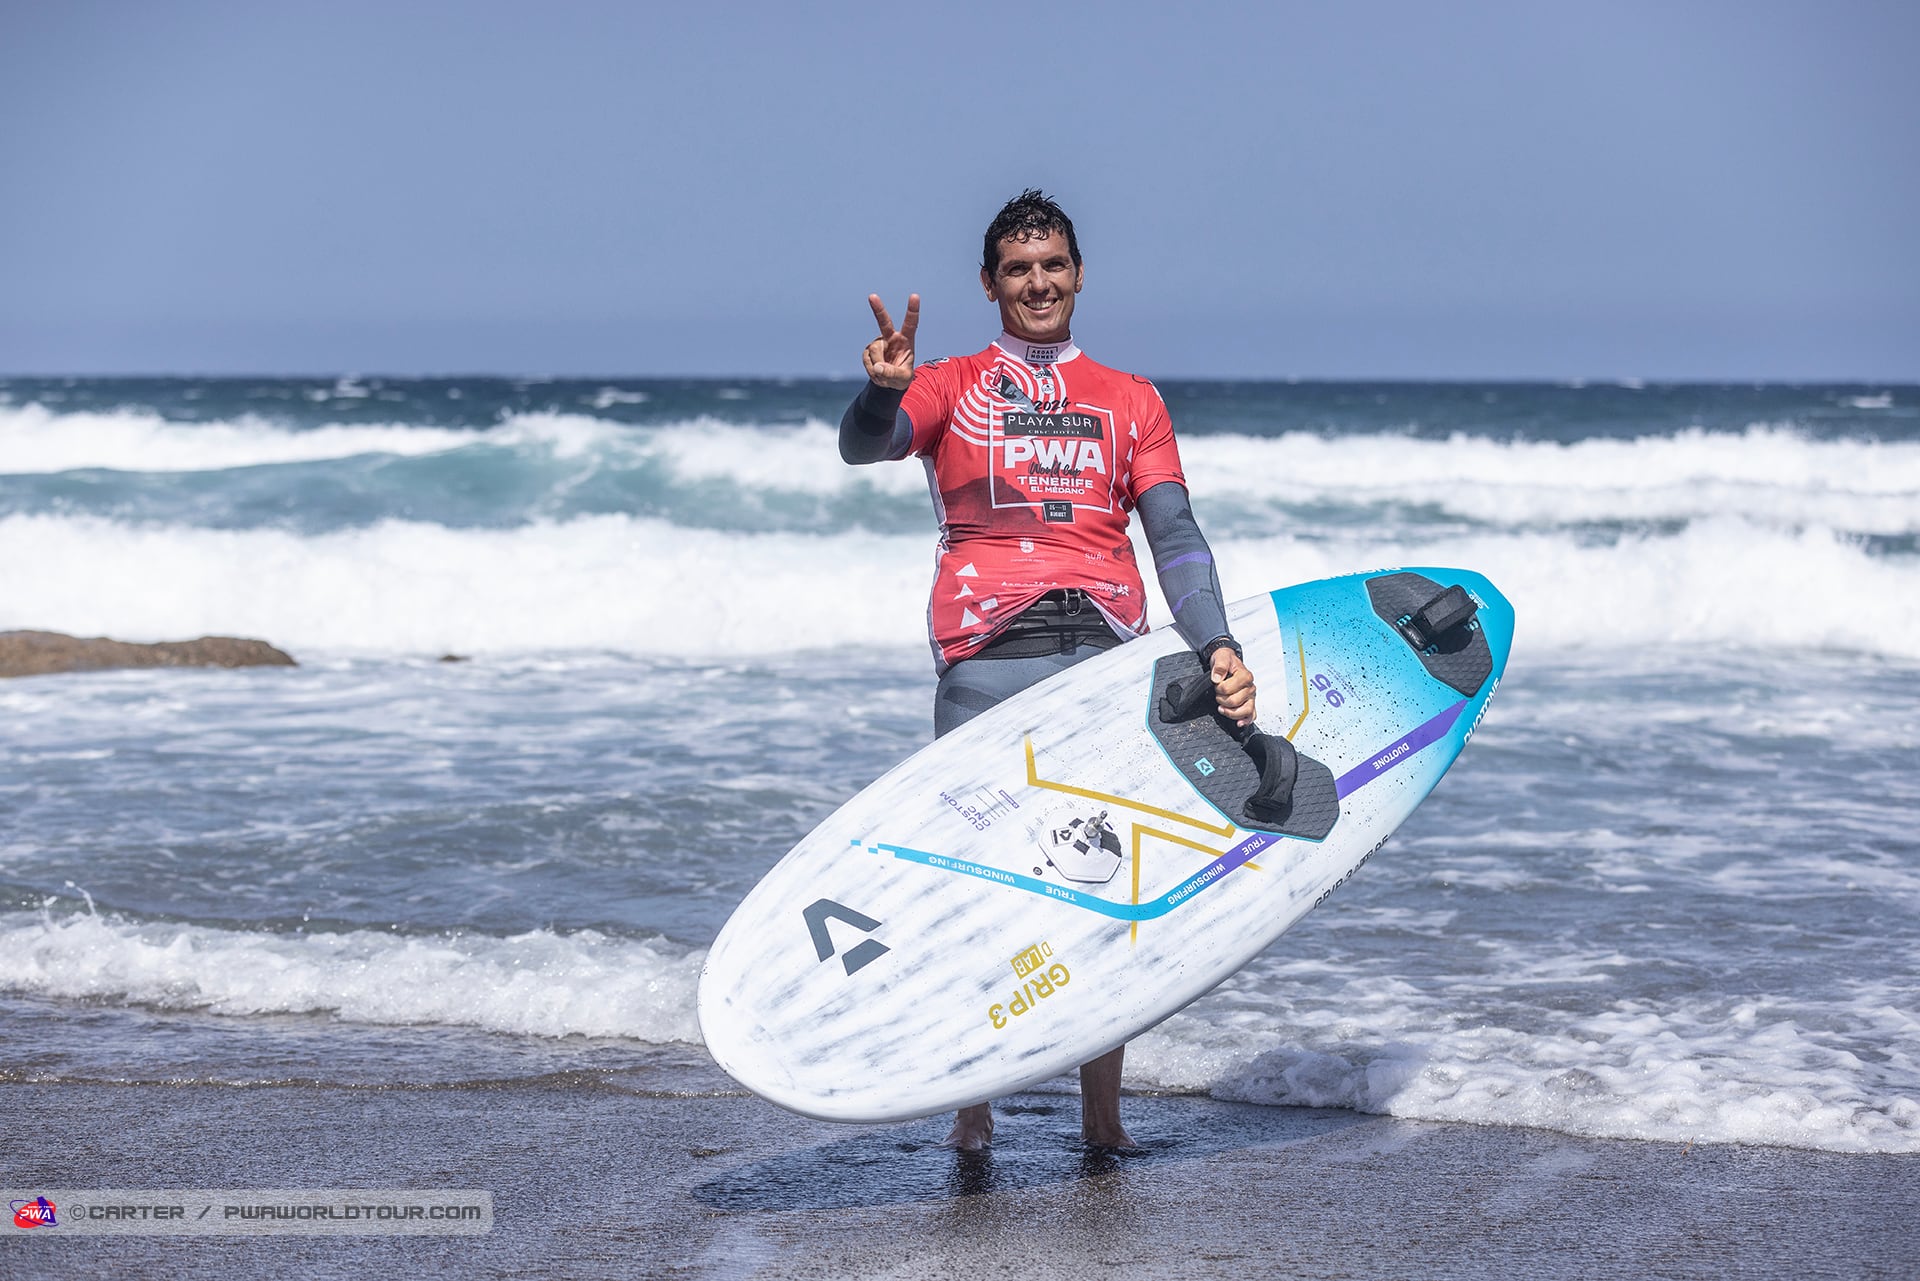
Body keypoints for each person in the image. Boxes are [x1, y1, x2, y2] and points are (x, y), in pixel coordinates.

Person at [838, 189, 1257, 1151]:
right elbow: (865, 447)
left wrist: (1217, 643)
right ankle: (972, 1109)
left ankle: (1103, 1119)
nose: (1038, 283)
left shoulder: (1131, 399)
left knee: (1105, 883)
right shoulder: (944, 384)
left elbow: (1177, 539)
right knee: (980, 889)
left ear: (1078, 274)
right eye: (1019, 269)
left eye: (1054, 265)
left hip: (1107, 666)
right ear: (989, 284)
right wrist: (881, 391)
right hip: (986, 663)